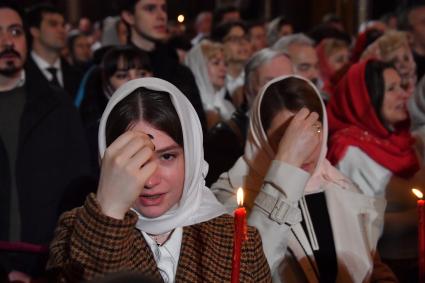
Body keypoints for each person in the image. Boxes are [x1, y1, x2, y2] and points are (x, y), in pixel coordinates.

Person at [47, 77, 272, 282]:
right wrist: (109, 213)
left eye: (167, 156)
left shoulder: (237, 238)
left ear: (192, 156)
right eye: (134, 159)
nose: (150, 181)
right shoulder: (74, 232)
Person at [211, 75, 397, 282]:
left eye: (314, 131)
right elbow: (244, 270)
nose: (306, 149)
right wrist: (286, 168)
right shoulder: (233, 192)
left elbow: (372, 264)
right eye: (287, 137)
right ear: (261, 136)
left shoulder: (339, 184)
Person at [0, 1, 91, 280]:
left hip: (48, 264)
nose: (7, 42)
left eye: (15, 32)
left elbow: (79, 186)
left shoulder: (57, 104)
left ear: (27, 39)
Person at [327, 60, 425, 282]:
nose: (403, 95)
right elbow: (360, 224)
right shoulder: (350, 151)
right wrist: (417, 217)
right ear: (365, 98)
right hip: (384, 269)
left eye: (401, 86)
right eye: (391, 89)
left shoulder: (405, 140)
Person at [204, 48, 293, 186]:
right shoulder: (225, 137)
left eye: (288, 82)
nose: (280, 91)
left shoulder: (306, 129)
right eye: (270, 82)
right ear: (248, 88)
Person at [119, 0, 207, 132]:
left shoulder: (180, 71)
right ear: (129, 16)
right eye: (150, 8)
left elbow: (197, 129)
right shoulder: (111, 69)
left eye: (164, 8)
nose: (161, 16)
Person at [26, 3, 82, 99]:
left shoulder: (78, 75)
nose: (61, 30)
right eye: (53, 24)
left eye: (63, 25)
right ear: (35, 31)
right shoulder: (21, 76)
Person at [185, 40, 235, 129]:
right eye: (216, 63)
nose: (223, 69)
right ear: (199, 68)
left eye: (225, 64)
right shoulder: (190, 108)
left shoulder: (228, 105)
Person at [211, 21, 252, 99]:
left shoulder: (254, 77)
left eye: (246, 38)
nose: (243, 43)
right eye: (235, 39)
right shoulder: (213, 78)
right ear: (219, 44)